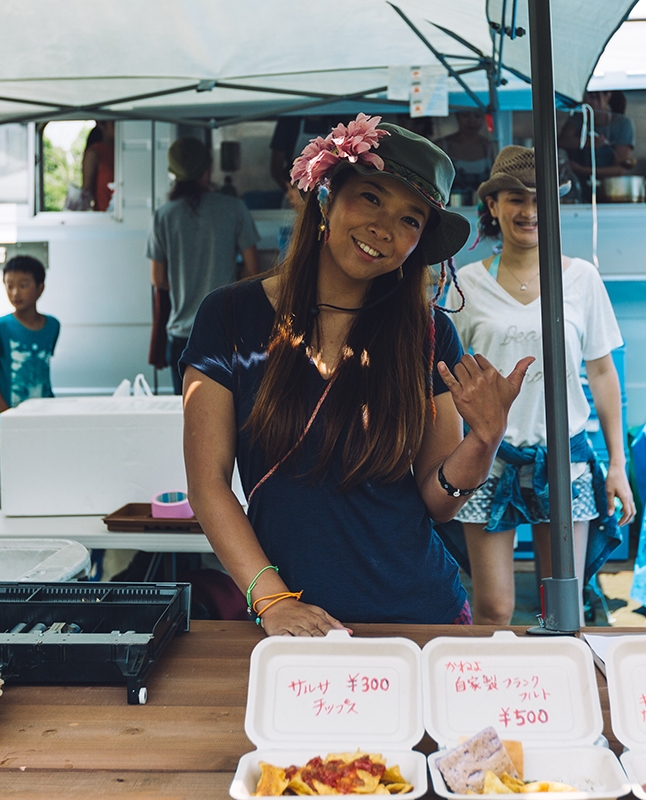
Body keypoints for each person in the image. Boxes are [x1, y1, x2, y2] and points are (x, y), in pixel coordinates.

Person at [181, 114, 533, 634]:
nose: (384, 229)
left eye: (410, 219)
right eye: (371, 197)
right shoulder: (229, 316)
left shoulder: (429, 334)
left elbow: (438, 503)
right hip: (296, 621)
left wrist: (484, 440)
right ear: (328, 198)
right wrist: (274, 601)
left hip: (421, 615)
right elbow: (208, 485)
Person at [449, 145, 636, 625]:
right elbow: (446, 381)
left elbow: (602, 373)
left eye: (540, 200)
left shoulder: (582, 279)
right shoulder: (465, 284)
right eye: (516, 198)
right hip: (489, 461)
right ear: (492, 206)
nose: (529, 211)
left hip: (564, 460)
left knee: (563, 607)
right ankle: (492, 677)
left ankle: (561, 677)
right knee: (494, 608)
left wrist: (617, 465)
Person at [148, 136, 260, 393]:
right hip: (226, 331)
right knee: (232, 410)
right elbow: (253, 269)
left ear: (174, 174)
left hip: (182, 335)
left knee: (186, 409)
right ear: (207, 170)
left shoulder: (163, 216)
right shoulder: (234, 208)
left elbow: (158, 279)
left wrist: (185, 282)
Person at [0, 256, 60, 413]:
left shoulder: (53, 325)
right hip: (12, 413)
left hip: (45, 412)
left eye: (23, 285)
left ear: (40, 288)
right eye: (9, 286)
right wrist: (5, 411)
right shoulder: (0, 326)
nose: (15, 293)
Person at [558, 91, 636, 198]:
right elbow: (561, 142)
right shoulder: (578, 117)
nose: (587, 101)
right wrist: (587, 142)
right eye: (584, 97)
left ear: (607, 96)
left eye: (593, 97)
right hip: (578, 191)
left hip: (610, 191)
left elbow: (619, 169)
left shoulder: (622, 124)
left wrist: (580, 169)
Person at [436, 110, 496, 201]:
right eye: (465, 115)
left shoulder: (488, 147)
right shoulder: (443, 145)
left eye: (477, 116)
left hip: (481, 205)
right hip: (449, 206)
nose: (472, 121)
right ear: (458, 117)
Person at [79, 120, 115, 212]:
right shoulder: (94, 153)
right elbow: (87, 191)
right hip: (104, 215)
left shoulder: (127, 150)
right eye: (113, 123)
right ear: (102, 125)